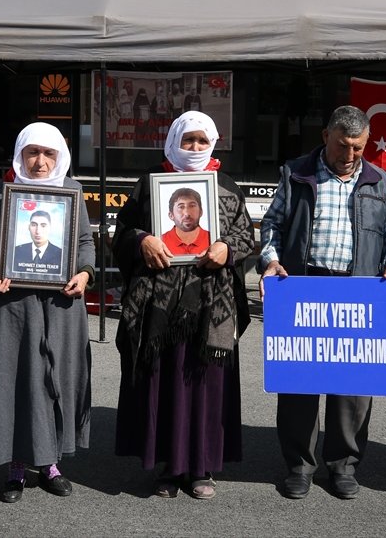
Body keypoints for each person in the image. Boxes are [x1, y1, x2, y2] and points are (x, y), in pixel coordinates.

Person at [259, 105, 386, 501]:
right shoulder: (296, 173)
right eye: (343, 145)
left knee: (353, 389)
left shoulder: (377, 179)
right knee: (299, 385)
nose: (351, 155)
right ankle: (299, 467)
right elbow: (271, 224)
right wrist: (271, 261)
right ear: (326, 135)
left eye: (358, 147)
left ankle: (343, 466)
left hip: (357, 289)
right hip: (304, 286)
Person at [114, 110, 253, 500]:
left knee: (204, 383)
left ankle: (201, 467)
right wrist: (142, 239)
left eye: (201, 141)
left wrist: (227, 248)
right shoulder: (149, 183)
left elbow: (245, 235)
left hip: (211, 306)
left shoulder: (225, 185)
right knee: (164, 382)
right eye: (187, 139)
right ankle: (167, 466)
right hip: (159, 307)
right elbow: (121, 232)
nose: (194, 147)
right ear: (174, 140)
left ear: (213, 143)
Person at [0, 122, 94, 504]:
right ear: (20, 154)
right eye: (32, 153)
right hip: (15, 307)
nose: (40, 162)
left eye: (49, 154)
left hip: (62, 304)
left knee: (57, 381)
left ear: (61, 157)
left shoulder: (72, 192)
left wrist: (85, 273)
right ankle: (16, 466)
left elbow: (85, 241)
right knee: (16, 380)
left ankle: (52, 463)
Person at [160, 187, 210, 256]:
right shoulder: (160, 242)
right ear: (171, 215)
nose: (187, 214)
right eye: (181, 207)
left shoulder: (213, 239)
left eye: (192, 206)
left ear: (201, 212)